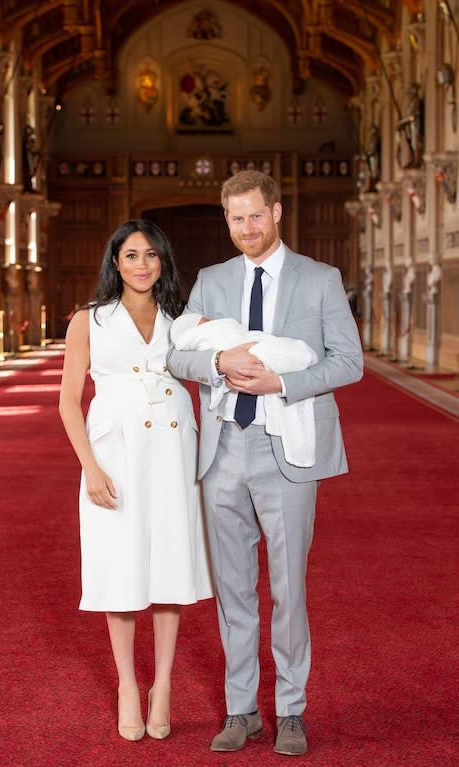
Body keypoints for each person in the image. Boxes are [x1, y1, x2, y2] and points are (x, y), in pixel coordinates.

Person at [168, 170, 363, 756]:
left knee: (288, 589)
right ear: (226, 221)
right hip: (224, 449)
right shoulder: (211, 279)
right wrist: (217, 361)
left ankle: (292, 710)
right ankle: (241, 709)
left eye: (256, 215)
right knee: (233, 591)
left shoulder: (320, 279)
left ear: (276, 213)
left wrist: (283, 379)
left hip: (288, 449)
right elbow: (178, 353)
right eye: (236, 218)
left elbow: (348, 362)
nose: (247, 228)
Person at [59, 219, 213, 743]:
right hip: (115, 452)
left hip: (173, 449)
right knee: (121, 568)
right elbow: (68, 399)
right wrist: (90, 467)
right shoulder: (89, 319)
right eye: (131, 255)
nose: (142, 264)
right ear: (115, 262)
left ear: (164, 262)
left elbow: (210, 367)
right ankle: (128, 682)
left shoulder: (183, 318)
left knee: (170, 565)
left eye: (151, 255)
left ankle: (163, 685)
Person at [170, 313, 318, 467]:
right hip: (224, 439)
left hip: (275, 430)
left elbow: (344, 359)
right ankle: (300, 355)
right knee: (280, 353)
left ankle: (300, 355)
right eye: (205, 322)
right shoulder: (203, 317)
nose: (211, 321)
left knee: (283, 351)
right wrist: (220, 361)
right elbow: (174, 359)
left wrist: (281, 383)